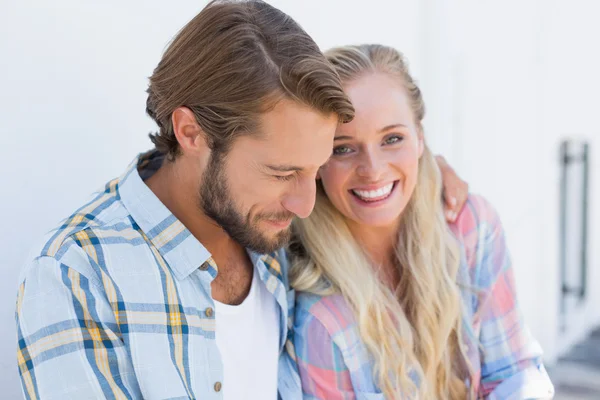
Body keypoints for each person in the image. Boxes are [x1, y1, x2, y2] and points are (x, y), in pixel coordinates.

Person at [15, 2, 467, 399]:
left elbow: (376, 170)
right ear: (191, 132)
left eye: (316, 167)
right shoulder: (76, 276)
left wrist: (430, 172)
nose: (306, 204)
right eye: (283, 173)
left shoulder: (272, 222)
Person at [291, 44, 555, 400]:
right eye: (343, 148)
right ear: (317, 162)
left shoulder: (471, 228)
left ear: (420, 138)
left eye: (392, 138)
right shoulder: (320, 315)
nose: (373, 170)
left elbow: (514, 373)